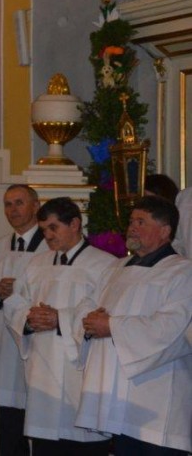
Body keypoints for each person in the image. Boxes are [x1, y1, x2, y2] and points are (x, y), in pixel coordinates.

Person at [77, 195, 192, 455]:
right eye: (131, 222)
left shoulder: (183, 271)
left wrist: (112, 326)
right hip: (118, 400)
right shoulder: (115, 268)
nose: (132, 228)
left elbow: (173, 328)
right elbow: (87, 304)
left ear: (165, 231)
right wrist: (89, 320)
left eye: (141, 222)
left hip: (157, 399)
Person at [3, 197, 113, 456]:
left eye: (53, 228)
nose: (48, 236)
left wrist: (59, 319)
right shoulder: (36, 263)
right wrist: (28, 320)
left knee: (83, 443)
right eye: (44, 230)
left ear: (74, 224)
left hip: (81, 368)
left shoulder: (105, 264)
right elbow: (15, 303)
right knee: (46, 446)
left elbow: (104, 313)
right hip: (42, 367)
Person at [0, 184, 45, 456]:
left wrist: (20, 293)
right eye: (7, 204)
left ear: (35, 205)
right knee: (10, 427)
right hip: (5, 345)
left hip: (39, 343)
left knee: (42, 424)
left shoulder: (50, 246)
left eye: (19, 202)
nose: (12, 209)